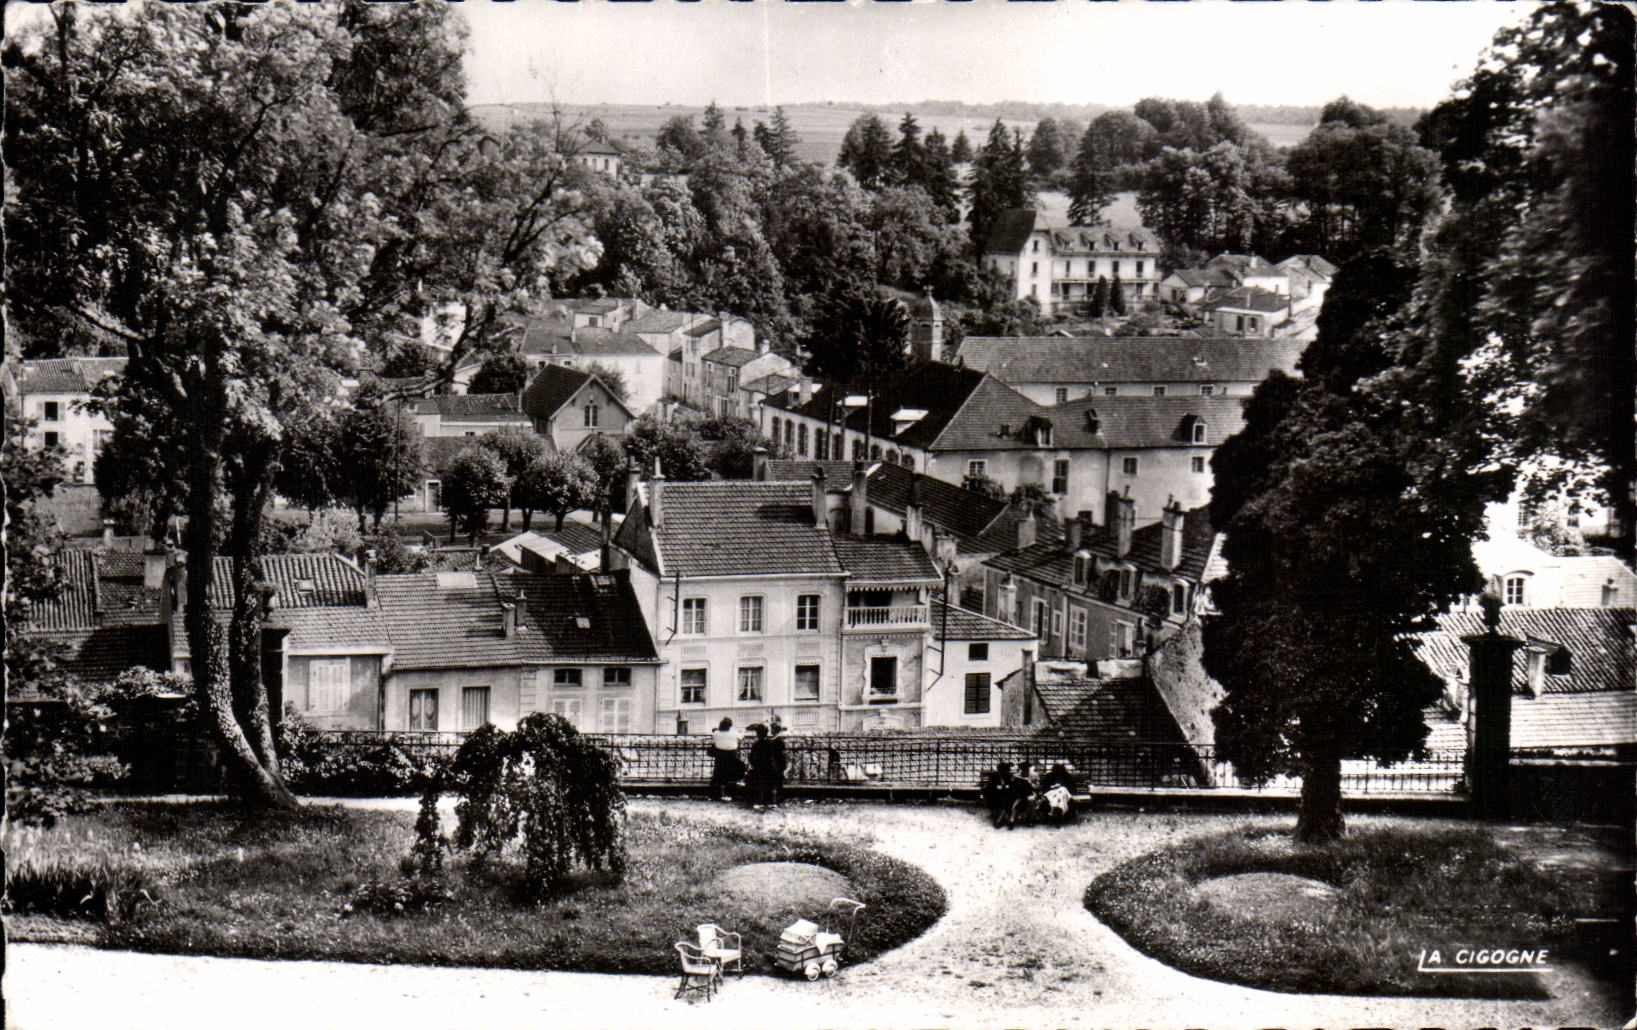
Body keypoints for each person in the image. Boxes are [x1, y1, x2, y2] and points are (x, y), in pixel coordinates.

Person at [747, 723, 781, 809]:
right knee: (772, 785)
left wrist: (754, 764)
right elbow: (775, 755)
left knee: (760, 785)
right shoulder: (771, 743)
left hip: (760, 766)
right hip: (770, 766)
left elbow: (751, 757)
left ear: (758, 734)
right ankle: (773, 802)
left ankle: (760, 802)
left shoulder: (756, 744)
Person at [708, 718, 744, 801]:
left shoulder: (716, 733)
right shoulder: (733, 733)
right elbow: (741, 737)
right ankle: (729, 793)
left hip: (720, 756)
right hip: (731, 755)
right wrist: (743, 730)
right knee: (731, 774)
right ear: (730, 726)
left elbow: (713, 733)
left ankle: (719, 794)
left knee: (719, 775)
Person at [980, 761, 1013, 826]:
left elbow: (1011, 785)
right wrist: (996, 787)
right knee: (1005, 801)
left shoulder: (1007, 776)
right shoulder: (994, 776)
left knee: (1007, 800)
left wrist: (1006, 786)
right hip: (994, 795)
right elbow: (989, 787)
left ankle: (999, 820)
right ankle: (1001, 819)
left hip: (1004, 794)